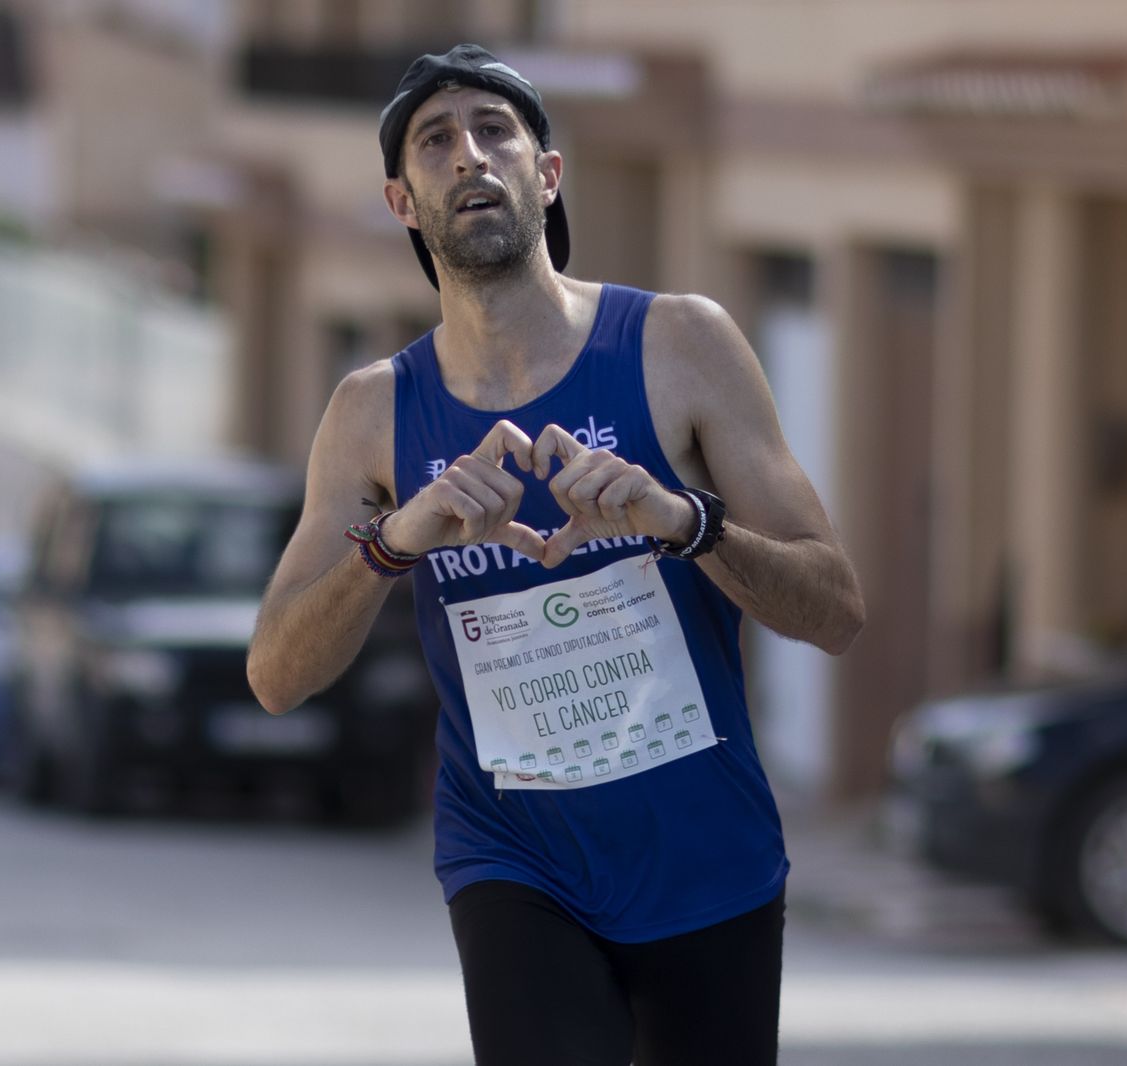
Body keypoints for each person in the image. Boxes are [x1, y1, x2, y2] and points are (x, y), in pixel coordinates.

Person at [247, 43, 865, 1066]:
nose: (470, 155)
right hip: (512, 855)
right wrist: (395, 542)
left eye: (496, 130)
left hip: (703, 852)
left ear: (548, 172)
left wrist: (682, 522)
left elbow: (834, 608)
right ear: (403, 201)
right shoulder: (371, 413)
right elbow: (274, 672)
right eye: (437, 141)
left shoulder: (677, 346)